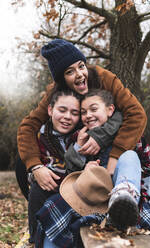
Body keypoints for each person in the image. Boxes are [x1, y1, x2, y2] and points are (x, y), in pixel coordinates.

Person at [34, 90, 150, 248]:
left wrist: (119, 168)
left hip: (120, 197)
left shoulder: (126, 134)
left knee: (129, 156)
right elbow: (70, 173)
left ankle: (123, 195)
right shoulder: (80, 137)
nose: (88, 115)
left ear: (110, 110)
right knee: (54, 215)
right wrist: (85, 168)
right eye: (83, 112)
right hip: (90, 198)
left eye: (94, 109)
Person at [17, 38, 147, 194]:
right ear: (62, 79)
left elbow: (136, 113)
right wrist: (36, 166)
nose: (79, 74)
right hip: (78, 151)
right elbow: (28, 126)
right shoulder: (56, 93)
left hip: (115, 143)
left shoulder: (104, 79)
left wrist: (113, 152)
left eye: (81, 66)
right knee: (21, 162)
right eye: (70, 72)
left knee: (135, 162)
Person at [28, 89, 82, 243]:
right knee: (38, 188)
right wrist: (37, 171)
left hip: (75, 190)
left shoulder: (81, 135)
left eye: (74, 113)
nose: (67, 117)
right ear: (50, 110)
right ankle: (34, 238)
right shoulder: (42, 135)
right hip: (50, 186)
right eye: (62, 110)